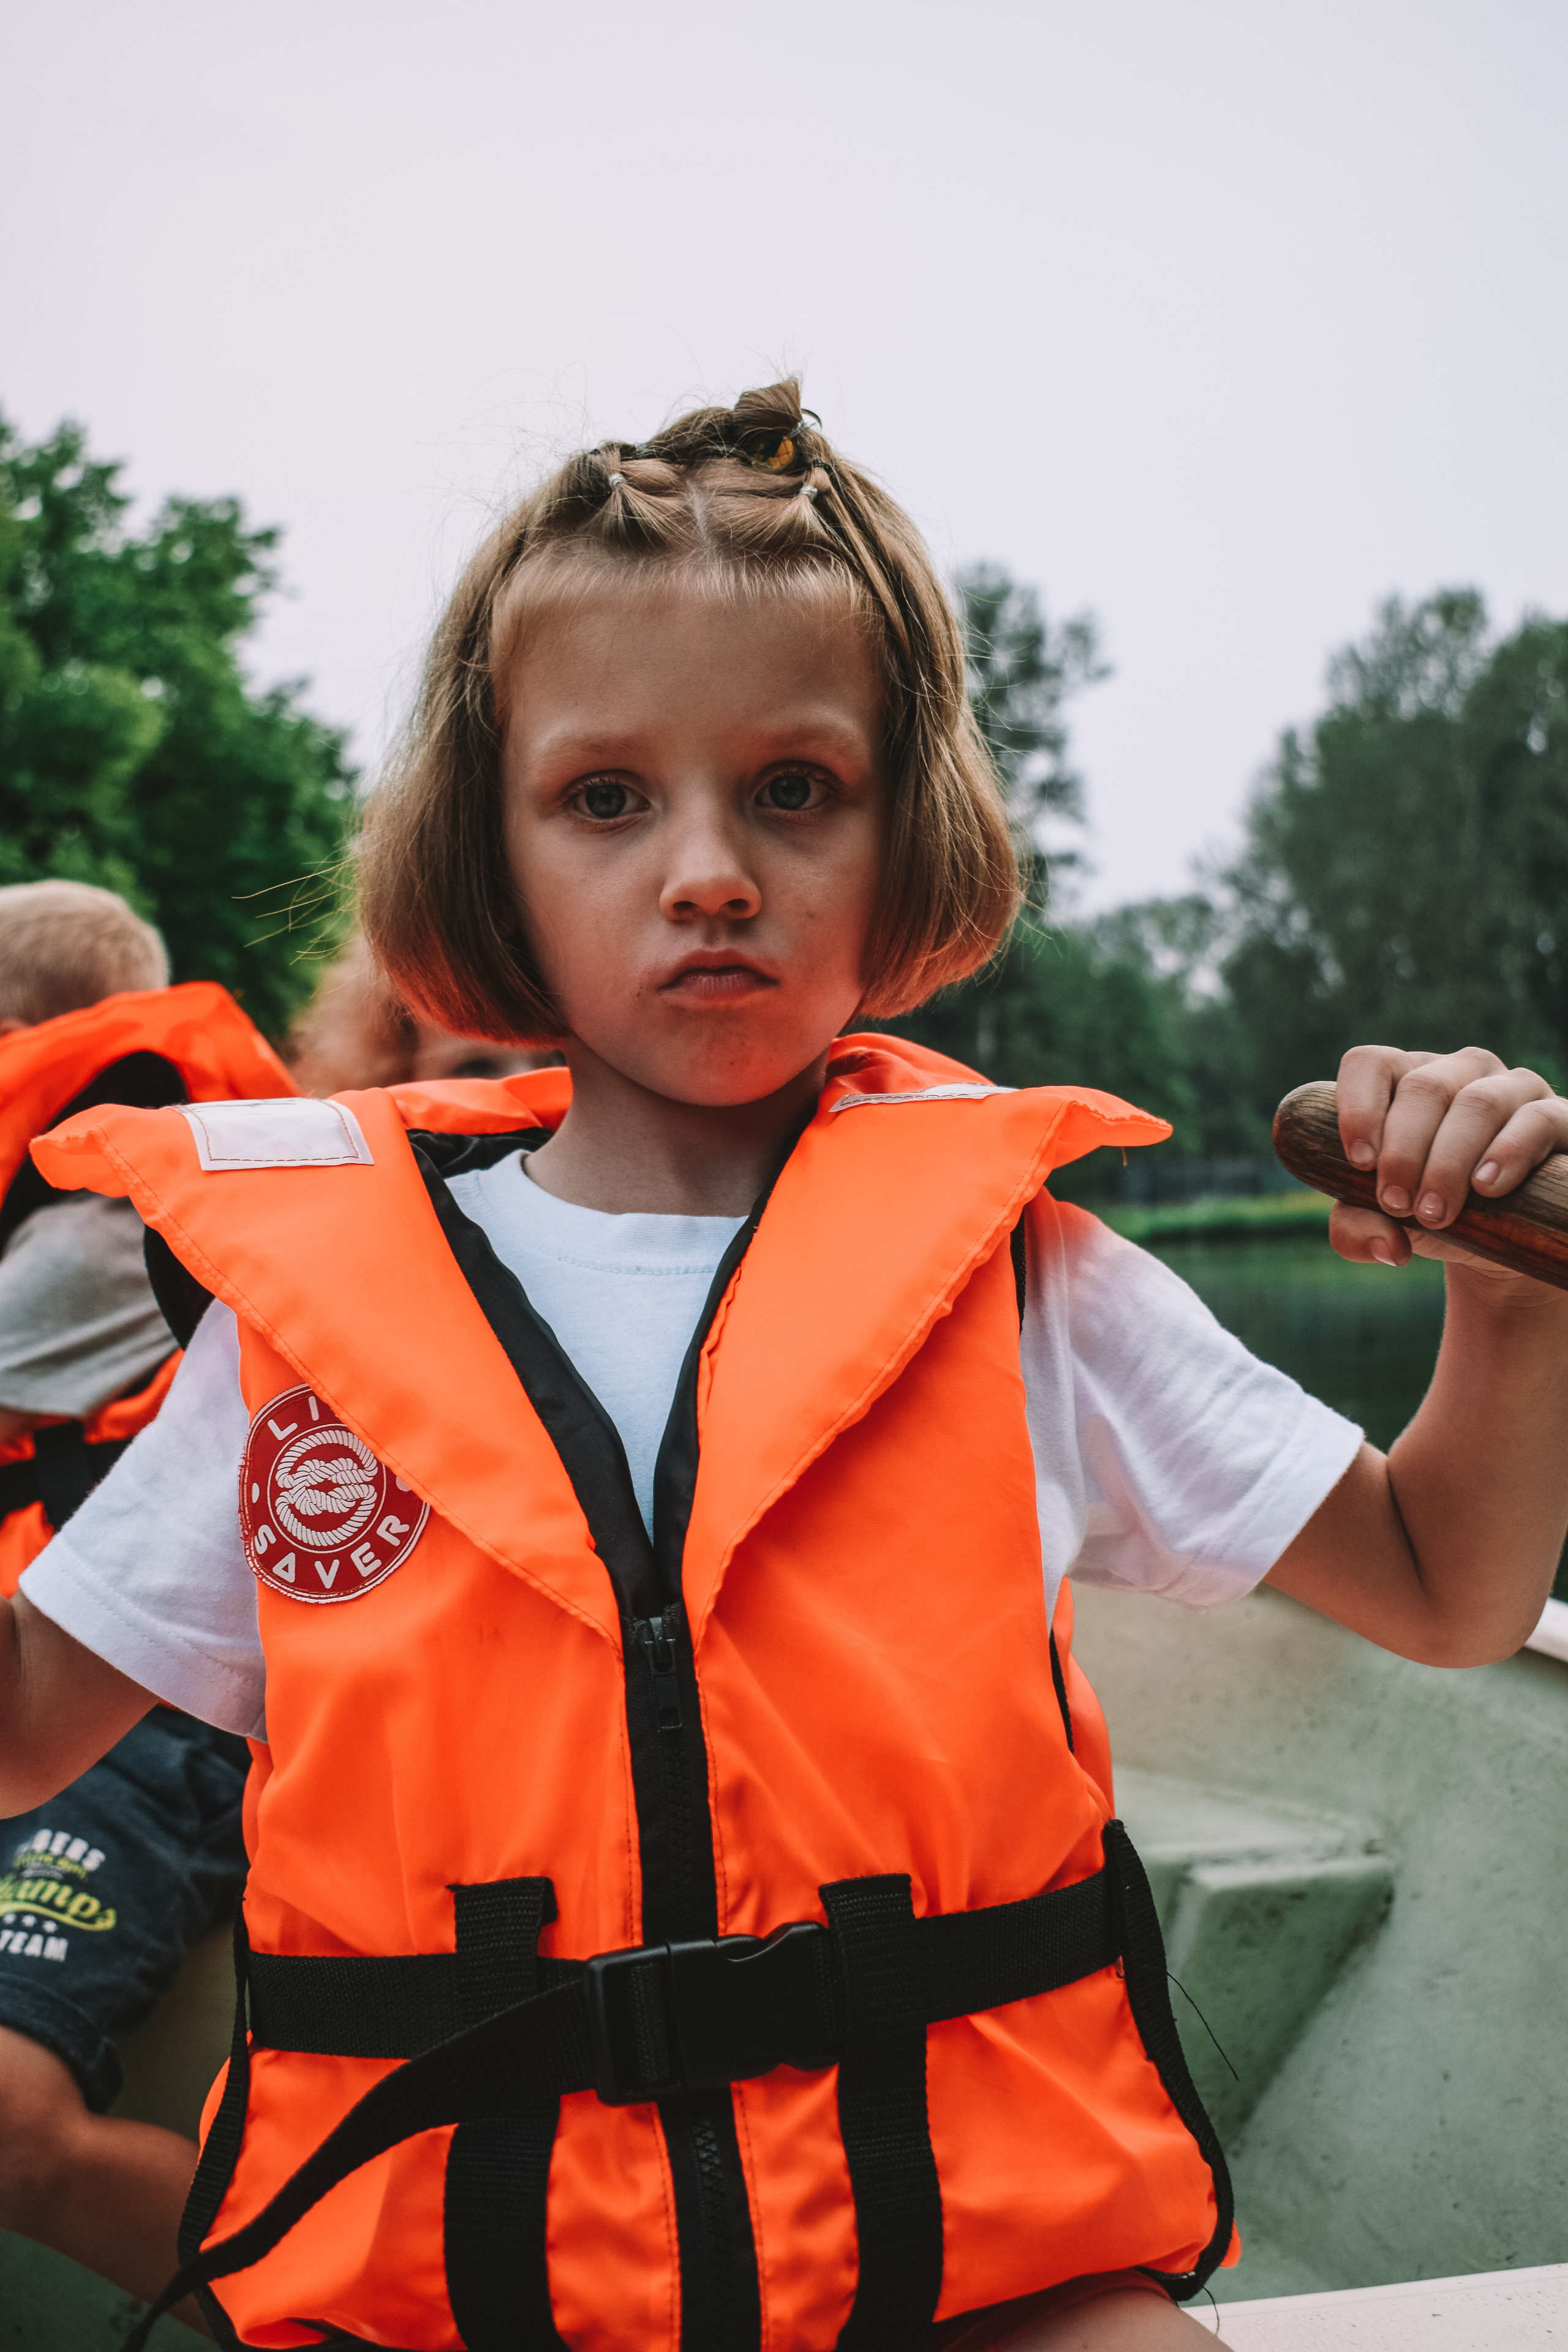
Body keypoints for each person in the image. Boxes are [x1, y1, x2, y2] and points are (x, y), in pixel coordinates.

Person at [6, 385, 1568, 2352]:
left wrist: (1513, 1286)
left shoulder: (1027, 1281)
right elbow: (24, 1726)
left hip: (967, 2293)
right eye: (605, 799)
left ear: (906, 835)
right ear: (487, 867)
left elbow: (1447, 1586)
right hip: (470, 2305)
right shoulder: (303, 1333)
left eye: (795, 790)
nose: (711, 870)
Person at [0, 879, 295, 2325]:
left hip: (131, 1704)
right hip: (50, 1678)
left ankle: (376, 2312)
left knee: (3, 2119)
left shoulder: (109, 1218)